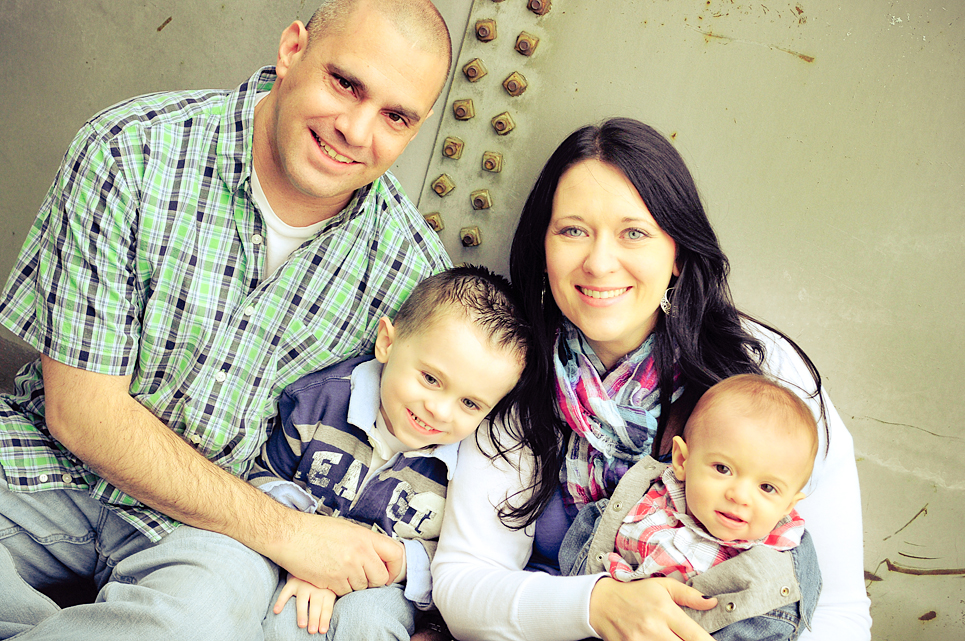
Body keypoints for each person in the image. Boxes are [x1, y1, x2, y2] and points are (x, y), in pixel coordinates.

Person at [0, 1, 452, 639]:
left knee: (195, 624)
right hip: (40, 468)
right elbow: (82, 415)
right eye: (345, 83)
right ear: (292, 50)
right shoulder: (133, 151)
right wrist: (291, 532)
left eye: (395, 116)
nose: (355, 130)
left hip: (211, 534)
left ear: (418, 127)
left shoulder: (413, 273)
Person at [431, 118, 872, 641]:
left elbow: (838, 613)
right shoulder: (514, 367)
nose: (599, 263)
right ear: (543, 247)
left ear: (677, 252)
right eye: (573, 230)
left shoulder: (762, 370)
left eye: (634, 233)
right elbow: (464, 584)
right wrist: (597, 604)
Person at [252, 265, 531, 640]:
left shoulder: (470, 467)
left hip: (386, 588)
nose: (439, 411)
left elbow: (460, 563)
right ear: (387, 342)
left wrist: (401, 563)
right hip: (291, 549)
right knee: (273, 612)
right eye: (430, 379)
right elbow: (262, 477)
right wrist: (306, 550)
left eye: (470, 403)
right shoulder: (318, 402)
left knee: (369, 621)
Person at [560, 374, 822, 641]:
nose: (740, 496)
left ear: (788, 506)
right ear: (682, 460)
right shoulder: (645, 505)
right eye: (723, 469)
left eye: (767, 487)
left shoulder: (778, 570)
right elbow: (587, 551)